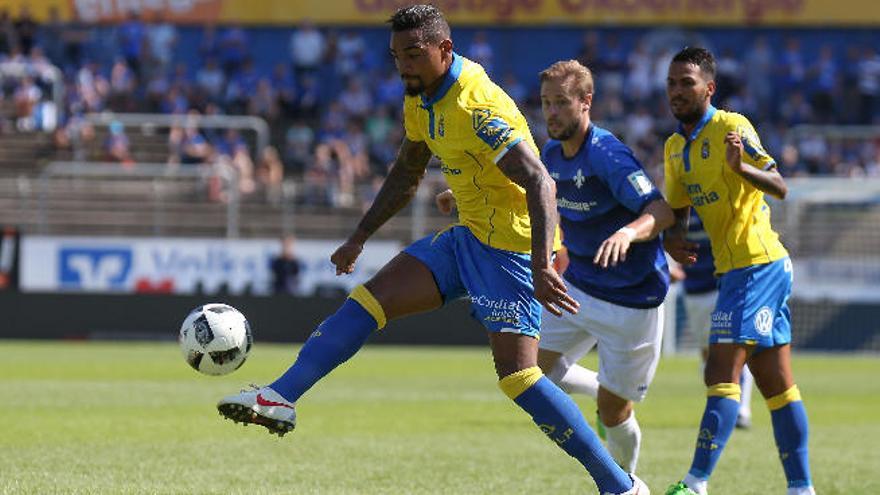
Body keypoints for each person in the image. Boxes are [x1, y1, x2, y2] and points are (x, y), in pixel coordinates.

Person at [217, 6, 646, 494]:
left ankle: (621, 487)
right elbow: (407, 170)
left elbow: (541, 182)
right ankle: (280, 398)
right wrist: (359, 236)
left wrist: (542, 261)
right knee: (368, 301)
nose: (404, 66)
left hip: (510, 251)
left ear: (445, 50)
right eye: (397, 55)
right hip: (468, 239)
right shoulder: (419, 99)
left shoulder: (478, 104)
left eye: (414, 54)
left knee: (519, 377)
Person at [438, 59, 674, 475]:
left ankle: (627, 475)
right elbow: (522, 187)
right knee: (528, 369)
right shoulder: (550, 152)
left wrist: (628, 234)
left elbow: (661, 210)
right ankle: (623, 477)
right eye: (546, 103)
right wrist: (459, 196)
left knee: (614, 411)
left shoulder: (607, 155)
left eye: (561, 102)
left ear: (586, 103)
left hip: (632, 301)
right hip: (578, 288)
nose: (551, 112)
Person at [661, 47, 814, 495]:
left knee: (720, 373)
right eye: (671, 83)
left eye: (686, 83)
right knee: (777, 384)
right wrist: (675, 241)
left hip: (758, 264)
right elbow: (678, 207)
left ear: (709, 88)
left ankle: (695, 483)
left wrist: (740, 167)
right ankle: (802, 489)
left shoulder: (732, 127)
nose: (676, 91)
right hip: (734, 271)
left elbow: (780, 186)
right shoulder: (674, 148)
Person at [680, 208, 754, 429]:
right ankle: (719, 402)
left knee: (732, 350)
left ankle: (741, 409)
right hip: (694, 288)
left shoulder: (716, 198)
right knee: (708, 354)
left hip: (722, 286)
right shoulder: (679, 203)